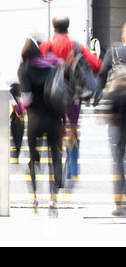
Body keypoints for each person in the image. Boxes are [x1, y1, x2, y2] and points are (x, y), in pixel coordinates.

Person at [40, 16, 102, 182]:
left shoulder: (47, 45)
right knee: (72, 126)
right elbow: (96, 65)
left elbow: (35, 64)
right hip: (72, 94)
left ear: (54, 28)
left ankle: (57, 165)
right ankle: (73, 167)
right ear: (68, 27)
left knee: (56, 127)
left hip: (52, 95)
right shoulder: (76, 45)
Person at [18, 37, 63, 217]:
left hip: (35, 120)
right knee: (54, 159)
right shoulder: (51, 67)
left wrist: (20, 107)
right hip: (53, 119)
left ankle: (35, 198)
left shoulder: (24, 68)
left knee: (33, 160)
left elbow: (26, 99)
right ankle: (53, 201)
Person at [99, 22, 126, 216]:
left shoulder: (114, 52)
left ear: (123, 36)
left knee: (118, 158)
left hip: (117, 112)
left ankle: (120, 205)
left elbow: (100, 79)